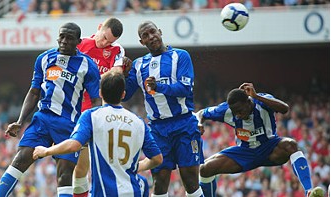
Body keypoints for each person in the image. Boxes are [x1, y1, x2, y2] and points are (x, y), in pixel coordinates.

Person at [0, 22, 101, 197]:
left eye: (70, 38)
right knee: (20, 159)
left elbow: (96, 99)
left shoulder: (87, 65)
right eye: (62, 36)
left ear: (78, 41)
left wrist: (91, 128)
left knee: (65, 174)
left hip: (69, 123)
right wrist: (20, 121)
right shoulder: (44, 58)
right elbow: (34, 91)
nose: (64, 41)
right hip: (43, 119)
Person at [32, 71, 163, 197]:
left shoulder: (92, 116)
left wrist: (46, 151)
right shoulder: (138, 122)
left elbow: (74, 145)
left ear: (100, 93)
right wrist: (135, 167)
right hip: (133, 190)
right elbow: (157, 159)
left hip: (104, 192)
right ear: (123, 94)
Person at [196, 82, 325, 197]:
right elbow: (201, 113)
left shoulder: (262, 101)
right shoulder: (227, 111)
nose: (238, 115)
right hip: (244, 152)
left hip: (269, 147)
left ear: (248, 102)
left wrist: (256, 96)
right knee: (205, 168)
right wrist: (199, 124)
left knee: (291, 145)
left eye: (240, 111)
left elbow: (284, 108)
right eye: (235, 113)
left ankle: (309, 191)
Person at [123, 21, 204, 197]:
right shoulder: (139, 65)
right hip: (158, 130)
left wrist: (159, 87)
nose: (151, 37)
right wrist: (123, 74)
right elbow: (124, 95)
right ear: (141, 42)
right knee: (159, 183)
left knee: (190, 181)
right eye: (145, 35)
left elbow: (185, 89)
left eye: (153, 32)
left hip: (184, 125)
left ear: (160, 32)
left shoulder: (180, 56)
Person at [73, 17, 132, 197]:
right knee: (80, 168)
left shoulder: (117, 50)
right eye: (104, 37)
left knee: (105, 166)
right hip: (77, 111)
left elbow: (115, 75)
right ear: (99, 27)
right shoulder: (80, 44)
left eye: (109, 41)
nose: (104, 43)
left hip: (101, 114)